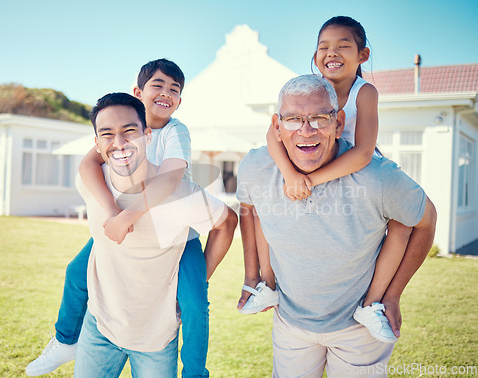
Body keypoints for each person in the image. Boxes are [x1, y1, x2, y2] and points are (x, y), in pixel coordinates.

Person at [236, 74, 437, 377]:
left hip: (359, 330)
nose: (306, 130)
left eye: (319, 117)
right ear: (277, 127)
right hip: (291, 325)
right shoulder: (256, 168)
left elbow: (426, 221)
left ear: (339, 123)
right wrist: (256, 277)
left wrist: (392, 295)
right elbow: (248, 211)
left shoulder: (378, 177)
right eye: (293, 119)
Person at [26, 59, 214, 377]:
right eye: (158, 85)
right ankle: (65, 340)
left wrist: (128, 215)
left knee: (193, 302)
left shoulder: (174, 130)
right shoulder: (116, 128)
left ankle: (195, 371)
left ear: (180, 101)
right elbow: (88, 166)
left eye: (175, 89)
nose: (166, 93)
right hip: (127, 228)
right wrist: (113, 214)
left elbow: (171, 178)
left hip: (177, 236)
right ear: (138, 92)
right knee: (76, 273)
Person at [238, 16, 413, 344]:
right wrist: (291, 175)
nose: (332, 53)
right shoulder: (308, 89)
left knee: (400, 225)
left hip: (355, 164)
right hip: (311, 162)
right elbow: (272, 135)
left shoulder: (365, 92)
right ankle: (268, 285)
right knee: (264, 210)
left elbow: (362, 153)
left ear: (363, 55)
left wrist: (311, 180)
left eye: (343, 46)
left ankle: (373, 301)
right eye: (324, 47)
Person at [75, 92, 236, 376]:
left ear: (148, 135)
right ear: (97, 144)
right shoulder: (90, 183)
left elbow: (227, 222)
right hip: (99, 326)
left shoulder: (181, 196)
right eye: (107, 134)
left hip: (156, 338)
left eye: (129, 132)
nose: (120, 143)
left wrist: (201, 277)